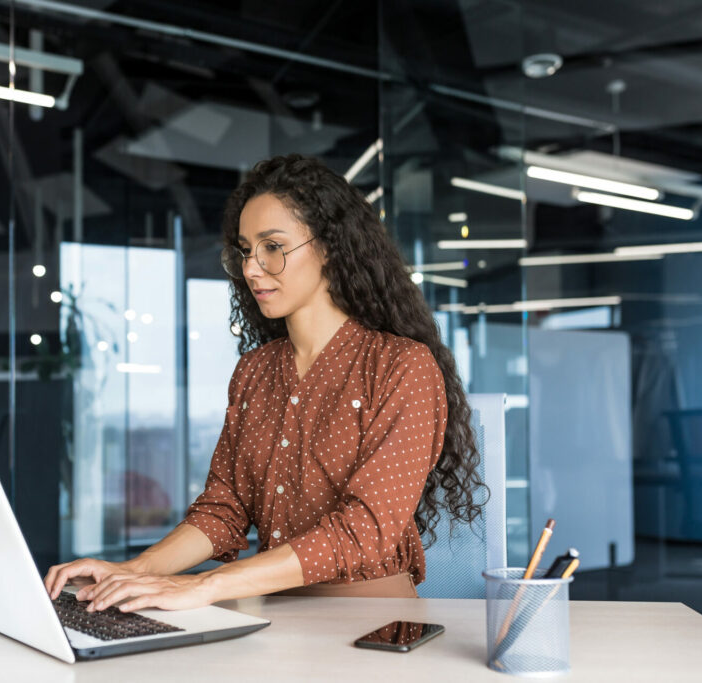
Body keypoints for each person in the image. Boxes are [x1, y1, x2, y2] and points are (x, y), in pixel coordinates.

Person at [45, 154, 485, 611]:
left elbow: (365, 531)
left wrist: (206, 585)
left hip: (371, 617)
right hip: (273, 611)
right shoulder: (254, 372)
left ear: (330, 246)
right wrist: (137, 570)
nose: (252, 268)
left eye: (272, 247)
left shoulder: (402, 366)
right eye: (245, 251)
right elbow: (224, 509)